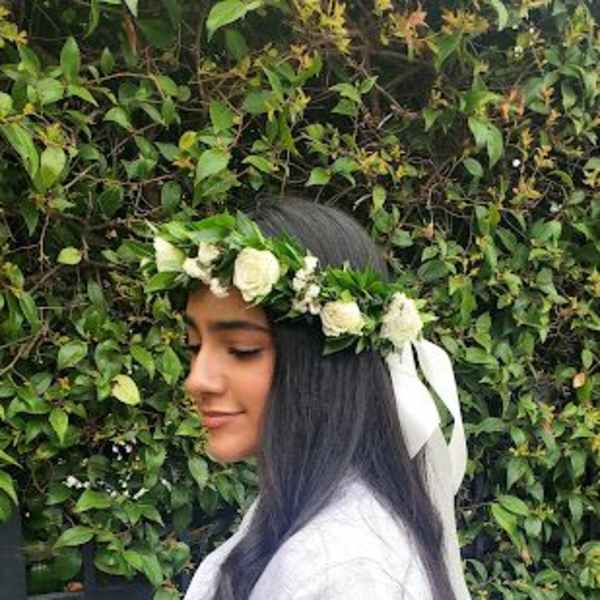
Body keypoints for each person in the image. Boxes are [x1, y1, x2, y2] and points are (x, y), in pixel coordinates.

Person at [152, 197, 471, 599]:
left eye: (241, 349)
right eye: (194, 345)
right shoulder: (300, 513)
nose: (197, 380)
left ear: (326, 364)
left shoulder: (348, 570)